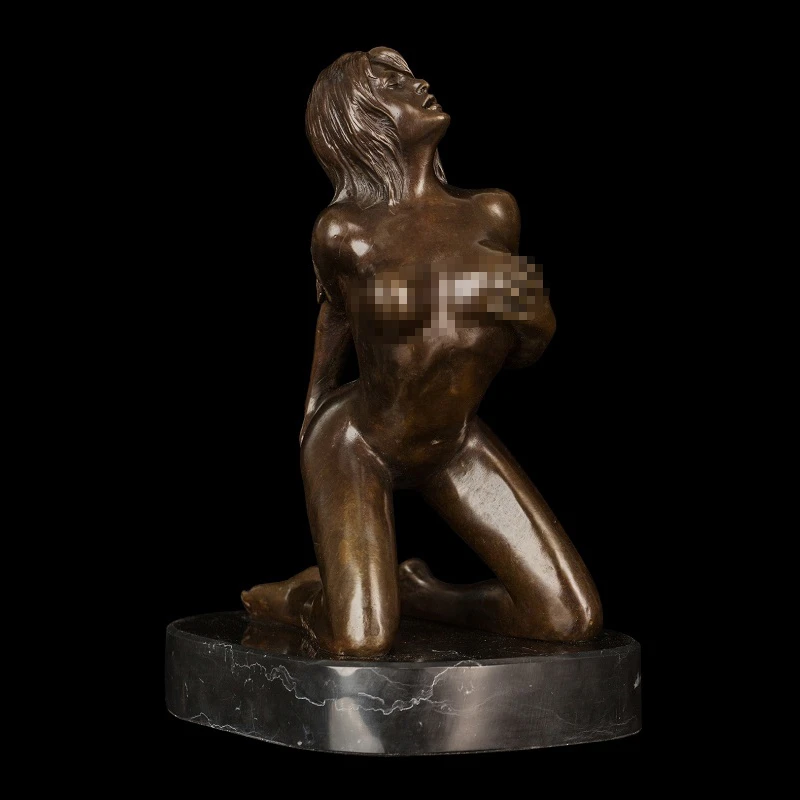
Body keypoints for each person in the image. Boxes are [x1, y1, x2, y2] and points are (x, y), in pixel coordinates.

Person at [242, 47, 601, 657]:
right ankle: (302, 597)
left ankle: (419, 592)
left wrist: (525, 311)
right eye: (392, 84)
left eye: (407, 77)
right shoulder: (345, 230)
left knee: (569, 618)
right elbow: (335, 313)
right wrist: (311, 410)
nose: (418, 84)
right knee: (360, 640)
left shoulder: (491, 212)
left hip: (452, 440)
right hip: (359, 442)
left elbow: (525, 347)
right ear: (362, 119)